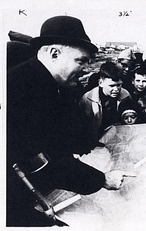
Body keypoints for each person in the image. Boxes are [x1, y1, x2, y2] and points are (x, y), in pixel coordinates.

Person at [7, 16, 126, 227]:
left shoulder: (46, 82)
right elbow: (48, 161)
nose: (86, 68)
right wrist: (102, 180)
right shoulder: (23, 87)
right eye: (81, 61)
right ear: (54, 53)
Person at [79, 61, 131, 148]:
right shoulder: (87, 99)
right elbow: (83, 127)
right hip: (95, 142)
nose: (116, 89)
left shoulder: (126, 95)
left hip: (119, 139)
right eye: (112, 86)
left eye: (119, 85)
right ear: (101, 83)